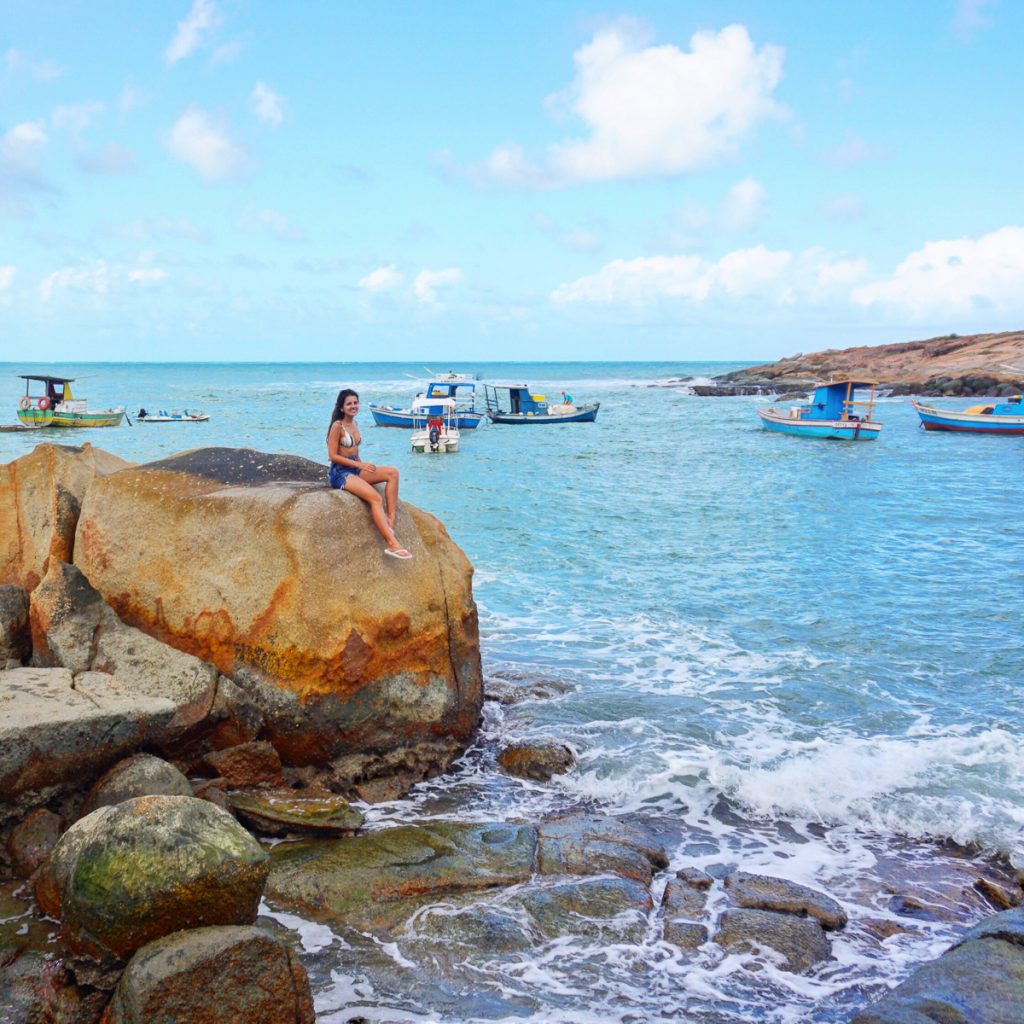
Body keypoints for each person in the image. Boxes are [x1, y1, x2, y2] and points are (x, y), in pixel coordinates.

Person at [327, 389, 412, 559]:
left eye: (355, 403)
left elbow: (354, 450)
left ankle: (390, 521)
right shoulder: (337, 426)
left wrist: (362, 466)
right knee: (375, 498)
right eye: (349, 404)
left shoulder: (355, 424)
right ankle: (392, 544)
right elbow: (332, 455)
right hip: (340, 473)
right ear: (342, 408)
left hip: (356, 468)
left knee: (392, 473)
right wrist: (360, 464)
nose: (354, 406)